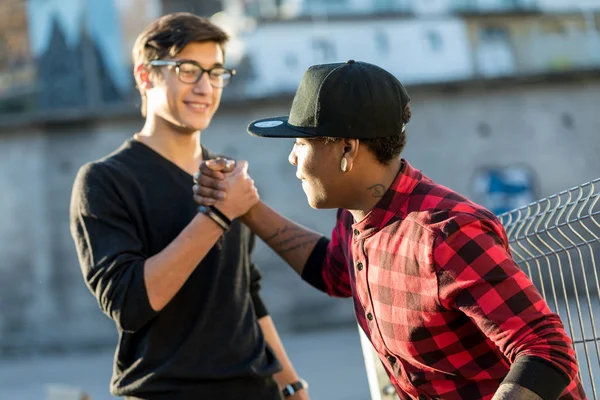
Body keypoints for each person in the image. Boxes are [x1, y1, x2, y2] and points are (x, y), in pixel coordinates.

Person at [193, 60, 587, 400]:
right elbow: (333, 273)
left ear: (347, 149)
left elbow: (547, 352)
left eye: (300, 141)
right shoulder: (356, 216)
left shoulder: (444, 233)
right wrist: (248, 207)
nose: (292, 156)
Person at [69, 12, 309, 400]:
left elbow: (244, 291)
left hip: (256, 390)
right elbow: (130, 304)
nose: (205, 87)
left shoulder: (226, 176)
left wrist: (291, 382)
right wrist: (217, 215)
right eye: (187, 69)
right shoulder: (103, 181)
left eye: (215, 72)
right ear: (145, 76)